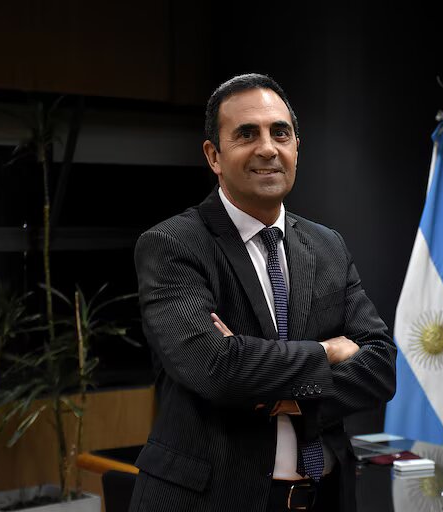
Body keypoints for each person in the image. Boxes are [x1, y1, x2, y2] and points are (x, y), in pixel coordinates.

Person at [131, 73, 397, 512]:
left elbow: (381, 368)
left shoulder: (327, 246)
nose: (268, 148)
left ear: (296, 148)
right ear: (214, 156)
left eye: (280, 133)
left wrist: (281, 394)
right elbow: (218, 369)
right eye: (247, 134)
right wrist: (327, 351)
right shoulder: (173, 245)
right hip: (215, 501)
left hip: (325, 497)